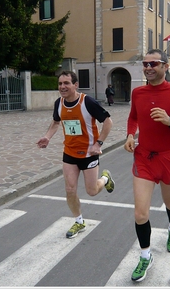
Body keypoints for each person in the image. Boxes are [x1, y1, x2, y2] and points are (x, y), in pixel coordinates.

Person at [124, 49, 170, 282]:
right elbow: (133, 117)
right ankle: (146, 256)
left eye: (153, 63)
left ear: (166, 66)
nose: (148, 67)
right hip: (144, 157)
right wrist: (129, 134)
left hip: (169, 158)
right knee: (140, 213)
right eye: (145, 64)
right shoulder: (138, 92)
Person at [36, 71, 115, 239]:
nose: (62, 87)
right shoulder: (59, 103)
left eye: (66, 83)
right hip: (70, 153)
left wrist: (98, 143)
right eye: (60, 84)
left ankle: (106, 179)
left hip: (89, 154)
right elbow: (56, 122)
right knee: (70, 189)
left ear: (75, 85)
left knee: (92, 191)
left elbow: (108, 121)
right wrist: (47, 137)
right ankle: (79, 221)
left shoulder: (87, 102)